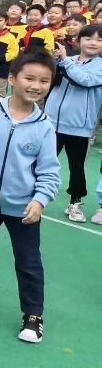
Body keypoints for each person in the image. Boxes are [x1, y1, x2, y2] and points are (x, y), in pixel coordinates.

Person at [0, 51, 60, 345]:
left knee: (29, 261)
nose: (36, 85)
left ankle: (33, 314)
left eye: (44, 81)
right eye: (29, 78)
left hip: (24, 208)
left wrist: (40, 200)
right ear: (12, 78)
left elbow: (49, 172)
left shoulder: (44, 126)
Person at [45, 24, 102, 222]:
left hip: (79, 126)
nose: (93, 42)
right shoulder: (67, 61)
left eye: (99, 39)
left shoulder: (100, 66)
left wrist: (64, 62)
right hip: (51, 122)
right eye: (88, 38)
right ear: (78, 41)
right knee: (40, 162)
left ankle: (75, 203)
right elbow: (49, 80)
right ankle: (31, 196)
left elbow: (84, 80)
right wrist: (53, 62)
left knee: (76, 167)